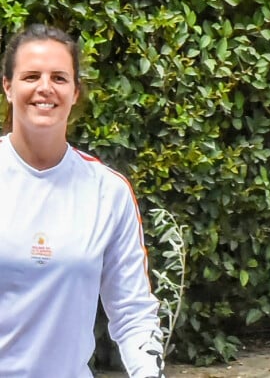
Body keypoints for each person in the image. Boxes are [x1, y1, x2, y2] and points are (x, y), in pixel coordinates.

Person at [0, 24, 165, 378]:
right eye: (31, 76)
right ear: (8, 87)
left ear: (75, 92)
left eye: (59, 78)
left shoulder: (108, 192)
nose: (45, 88)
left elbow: (133, 310)